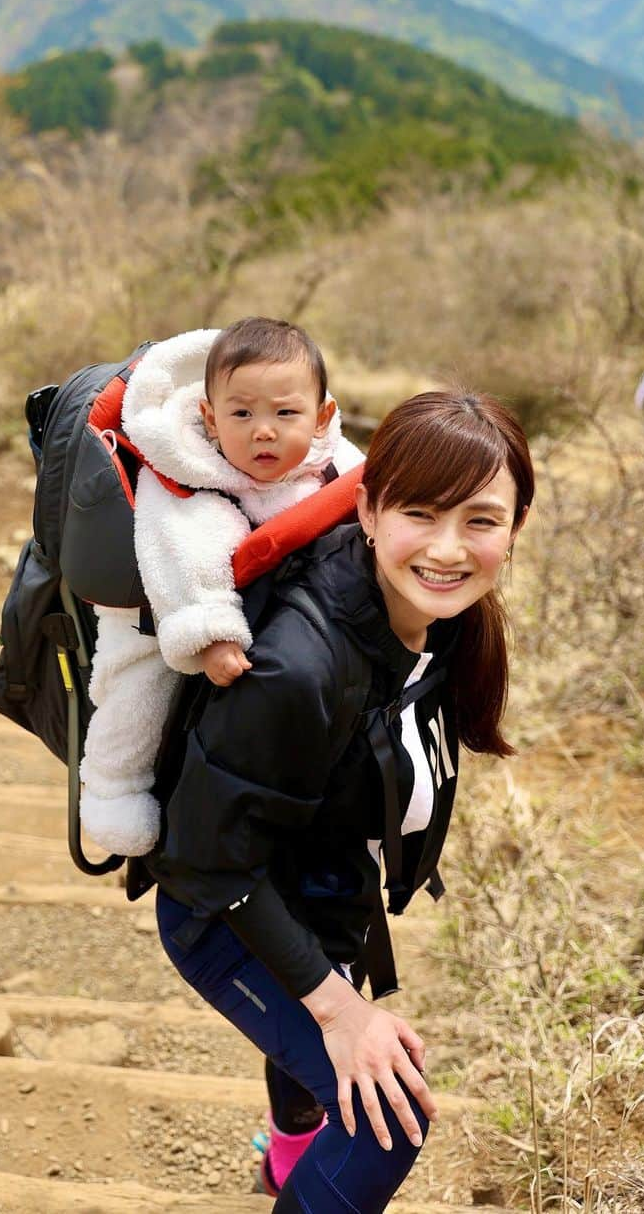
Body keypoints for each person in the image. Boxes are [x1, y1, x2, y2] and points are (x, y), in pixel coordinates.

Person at [143, 389, 534, 1212]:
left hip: (317, 886)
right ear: (365, 506)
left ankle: (288, 1161)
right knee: (386, 1117)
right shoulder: (300, 666)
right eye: (419, 513)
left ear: (516, 525)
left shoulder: (441, 616)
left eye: (481, 520)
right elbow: (206, 859)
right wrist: (339, 1011)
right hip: (221, 906)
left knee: (330, 1066)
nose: (448, 548)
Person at [79, 318, 365, 857]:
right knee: (137, 682)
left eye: (285, 413)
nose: (264, 430)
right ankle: (113, 787)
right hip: (161, 600)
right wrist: (209, 632)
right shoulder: (186, 471)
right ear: (210, 419)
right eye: (242, 413)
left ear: (322, 415)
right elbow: (181, 553)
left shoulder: (332, 458)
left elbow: (367, 497)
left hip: (270, 588)